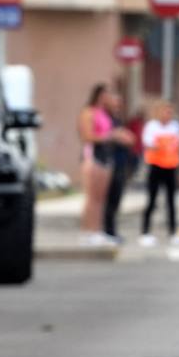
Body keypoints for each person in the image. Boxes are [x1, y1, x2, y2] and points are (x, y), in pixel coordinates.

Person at [139, 100, 179, 246]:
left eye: (170, 112)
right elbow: (151, 145)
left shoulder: (175, 127)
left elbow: (178, 144)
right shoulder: (152, 127)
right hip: (156, 166)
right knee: (152, 200)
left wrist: (169, 143)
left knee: (171, 201)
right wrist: (169, 142)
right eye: (165, 111)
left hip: (171, 166)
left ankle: (173, 232)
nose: (168, 114)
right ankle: (145, 232)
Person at [77, 84, 114, 246]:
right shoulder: (88, 112)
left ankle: (97, 229)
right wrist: (109, 136)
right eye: (105, 95)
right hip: (92, 155)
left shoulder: (105, 113)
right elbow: (87, 136)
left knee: (101, 197)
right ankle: (87, 231)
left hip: (105, 155)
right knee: (91, 197)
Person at [101, 92, 138, 245]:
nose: (117, 107)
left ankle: (112, 230)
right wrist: (120, 137)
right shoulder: (107, 120)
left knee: (116, 198)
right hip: (111, 163)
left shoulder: (118, 120)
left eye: (119, 104)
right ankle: (107, 230)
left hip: (122, 162)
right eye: (115, 103)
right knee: (110, 198)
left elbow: (130, 139)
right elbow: (114, 137)